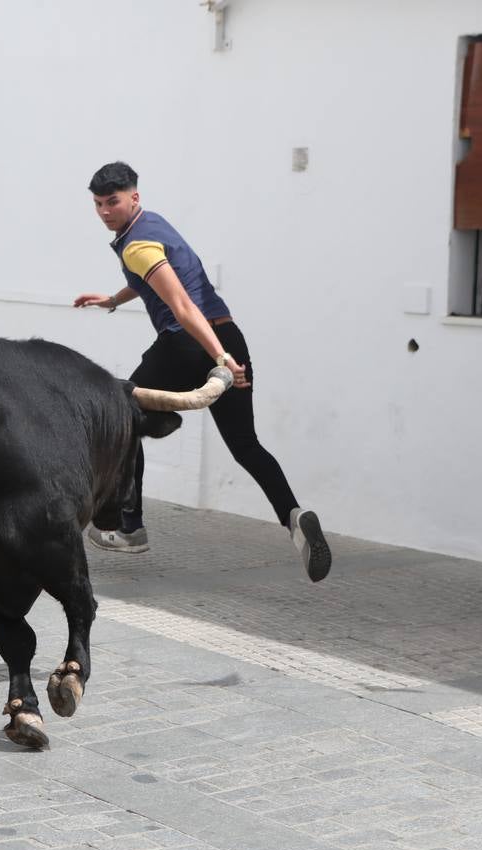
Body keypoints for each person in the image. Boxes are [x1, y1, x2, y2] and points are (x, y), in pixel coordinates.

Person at [74, 161, 331, 582]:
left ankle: (129, 526)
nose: (104, 211)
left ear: (133, 197)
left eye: (113, 201)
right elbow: (155, 280)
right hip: (229, 334)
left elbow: (180, 305)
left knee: (121, 409)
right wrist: (114, 300)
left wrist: (218, 358)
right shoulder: (152, 226)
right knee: (245, 445)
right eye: (98, 203)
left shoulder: (137, 244)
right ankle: (294, 517)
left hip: (190, 344)